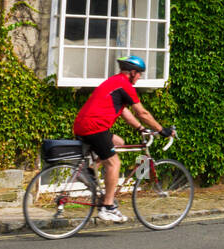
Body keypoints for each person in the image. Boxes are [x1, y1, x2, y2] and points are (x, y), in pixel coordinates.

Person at [73, 55, 171, 223]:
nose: (140, 77)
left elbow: (125, 112)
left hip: (84, 125)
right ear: (132, 72)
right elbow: (142, 113)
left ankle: (88, 171)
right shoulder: (125, 85)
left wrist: (140, 128)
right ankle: (108, 207)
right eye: (139, 73)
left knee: (119, 142)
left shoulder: (115, 82)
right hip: (94, 127)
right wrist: (162, 130)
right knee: (114, 163)